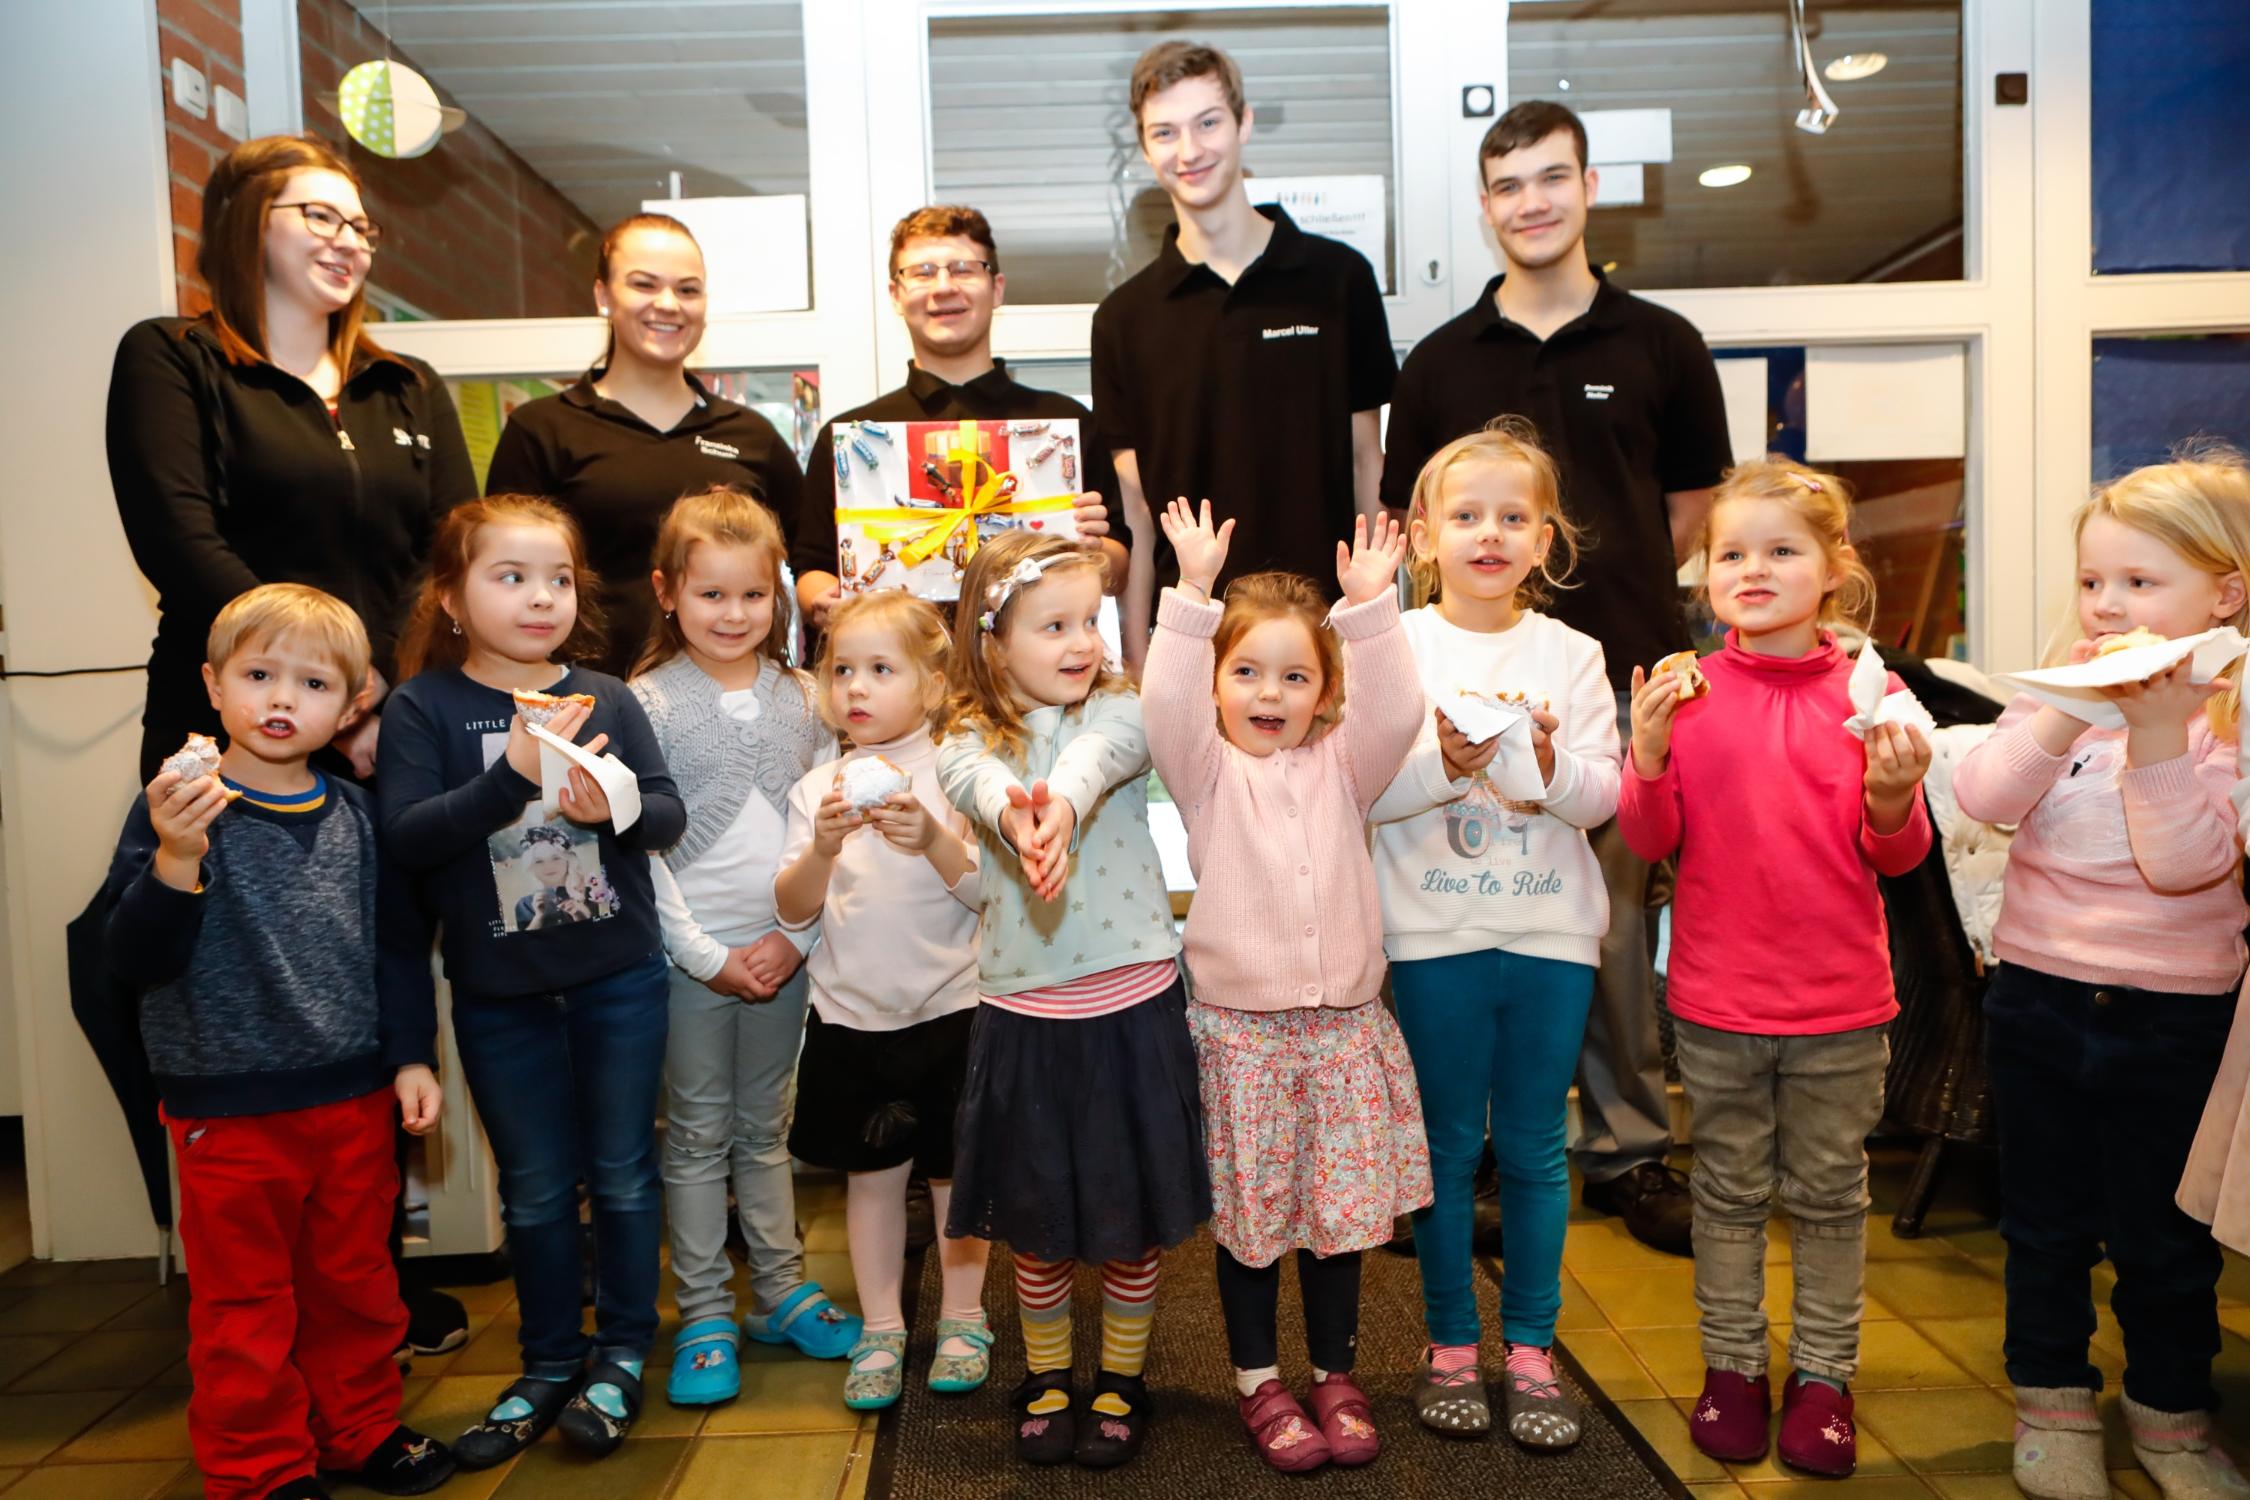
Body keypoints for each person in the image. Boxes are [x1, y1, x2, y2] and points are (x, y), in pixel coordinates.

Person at [1383, 100, 1732, 1256]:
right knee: (1467, 921)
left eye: (1551, 178)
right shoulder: (1437, 362)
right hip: (1456, 695)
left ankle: (1629, 1151)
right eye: (1507, 184)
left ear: (1588, 189)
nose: (1531, 201)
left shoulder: (1662, 345)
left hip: (1620, 686)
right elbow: (1406, 513)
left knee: (1612, 933)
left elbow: (1690, 512)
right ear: (1484, 209)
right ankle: (1475, 1153)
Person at [103, 584, 452, 1500]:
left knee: (356, 1286)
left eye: (313, 683)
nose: (282, 699)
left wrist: (412, 1057)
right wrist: (177, 860)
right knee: (244, 1306)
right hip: (227, 1109)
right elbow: (130, 957)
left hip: (348, 1101)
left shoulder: (359, 819)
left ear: (350, 707)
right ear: (214, 686)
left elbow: (396, 950)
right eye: (259, 675)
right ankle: (260, 1469)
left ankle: (358, 1430)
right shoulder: (176, 810)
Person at [1619, 460, 1931, 1478]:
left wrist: (1892, 798)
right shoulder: (1690, 690)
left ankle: (1826, 1380)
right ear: (1708, 574)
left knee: (1834, 1198)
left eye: (1782, 550)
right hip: (1716, 1005)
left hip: (1842, 1008)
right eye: (1732, 553)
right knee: (1730, 1195)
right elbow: (1649, 835)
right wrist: (1649, 751)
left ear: (1836, 568)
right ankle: (1733, 1371)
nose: (1753, 569)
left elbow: (1901, 855)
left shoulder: (1872, 690)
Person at [1960, 453, 2250, 1500]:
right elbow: (1985, 796)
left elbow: (2187, 868)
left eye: (2139, 582)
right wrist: (2068, 709)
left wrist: (2161, 730)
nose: (2108, 604)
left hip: (2175, 1017)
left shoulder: (2228, 717)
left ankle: (2172, 1420)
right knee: (2042, 1225)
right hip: (2037, 999)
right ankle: (2052, 1404)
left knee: (2164, 1241)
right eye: (2093, 582)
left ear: (2224, 592)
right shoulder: (2062, 699)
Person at [377, 495, 685, 1465]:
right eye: (510, 577)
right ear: (452, 597)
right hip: (499, 997)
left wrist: (615, 807)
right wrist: (512, 774)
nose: (540, 597)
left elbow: (668, 816)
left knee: (627, 1174)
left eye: (558, 578)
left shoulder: (607, 694)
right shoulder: (422, 708)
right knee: (540, 1189)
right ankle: (551, 1358)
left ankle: (623, 1351)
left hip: (619, 978)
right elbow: (410, 837)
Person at [1141, 502, 1428, 1474]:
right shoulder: (1206, 772)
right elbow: (1165, 706)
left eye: (1295, 675)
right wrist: (1187, 594)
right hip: (1243, 1036)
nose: (1271, 692)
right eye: (1248, 672)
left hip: (1345, 1029)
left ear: (1323, 691)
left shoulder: (1347, 765)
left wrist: (1368, 608)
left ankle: (1337, 1375)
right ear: (1219, 684)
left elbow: (1395, 710)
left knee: (1339, 1220)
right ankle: (1259, 1382)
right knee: (1256, 1225)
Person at [1367, 422, 1619, 1450]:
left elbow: (1599, 797)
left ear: (1546, 537)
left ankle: (1531, 1349)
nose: (1489, 534)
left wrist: (1536, 765)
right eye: (1466, 516)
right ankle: (1450, 1348)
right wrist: (1447, 761)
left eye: (1514, 517)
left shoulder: (1575, 654)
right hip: (1432, 937)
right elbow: (1365, 793)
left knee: (1533, 1149)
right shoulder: (1390, 646)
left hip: (1551, 936)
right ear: (1421, 534)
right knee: (1440, 1150)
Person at [935, 532, 1207, 1470]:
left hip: (1135, 1011)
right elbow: (973, 782)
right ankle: (1050, 1375)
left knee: (1132, 1224)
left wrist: (1062, 803)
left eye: (1089, 620)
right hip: (1025, 1023)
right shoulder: (967, 737)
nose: (1081, 640)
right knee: (1040, 1226)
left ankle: (1122, 1378)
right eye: (1054, 624)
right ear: (991, 639)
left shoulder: (1126, 711)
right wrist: (1018, 810)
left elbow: (1101, 754)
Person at [107, 134, 476, 783]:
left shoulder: (408, 385)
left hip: (394, 724)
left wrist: (374, 691)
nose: (350, 242)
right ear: (245, 222)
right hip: (232, 727)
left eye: (362, 228)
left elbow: (451, 553)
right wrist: (327, 681)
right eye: (322, 217)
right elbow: (181, 543)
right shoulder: (173, 357)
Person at [625, 487, 852, 1407]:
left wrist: (791, 939)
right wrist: (705, 955)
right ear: (667, 592)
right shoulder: (643, 703)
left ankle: (782, 1286)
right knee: (695, 1136)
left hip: (783, 952)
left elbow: (834, 833)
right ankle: (708, 1308)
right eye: (711, 595)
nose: (733, 614)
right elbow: (639, 851)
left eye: (753, 596)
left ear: (780, 598)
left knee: (768, 1129)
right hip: (691, 959)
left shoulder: (809, 699)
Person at [1092, 41, 1395, 673]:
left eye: (1208, 123)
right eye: (1165, 132)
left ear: (1244, 123)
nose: (1190, 150)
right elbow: (1139, 512)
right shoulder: (1123, 318)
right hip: (1196, 642)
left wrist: (1373, 630)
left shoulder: (1338, 280)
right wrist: (1144, 666)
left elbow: (1368, 464)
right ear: (1146, 150)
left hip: (1326, 635)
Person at [774, 590, 991, 1410]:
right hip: (852, 1019)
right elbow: (792, 908)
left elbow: (987, 897)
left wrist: (934, 838)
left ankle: (965, 1319)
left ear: (933, 686)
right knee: (870, 1181)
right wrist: (824, 848)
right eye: (841, 672)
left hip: (952, 1011)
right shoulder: (818, 788)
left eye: (880, 670)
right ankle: (882, 1326)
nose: (855, 689)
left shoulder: (961, 770)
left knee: (953, 1181)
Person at [488, 213, 804, 677]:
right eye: (644, 284)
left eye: (688, 289)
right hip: (589, 702)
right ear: (603, 296)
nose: (668, 304)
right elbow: (499, 575)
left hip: (733, 709)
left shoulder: (751, 436)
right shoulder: (544, 429)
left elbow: (813, 561)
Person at [789, 205, 1126, 632]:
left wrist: (1095, 549)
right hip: (898, 679)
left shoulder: (1063, 424)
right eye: (923, 272)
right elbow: (812, 567)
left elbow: (1119, 568)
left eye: (964, 269)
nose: (944, 287)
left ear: (997, 287)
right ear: (896, 294)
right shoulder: (853, 439)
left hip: (1038, 685)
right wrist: (821, 601)